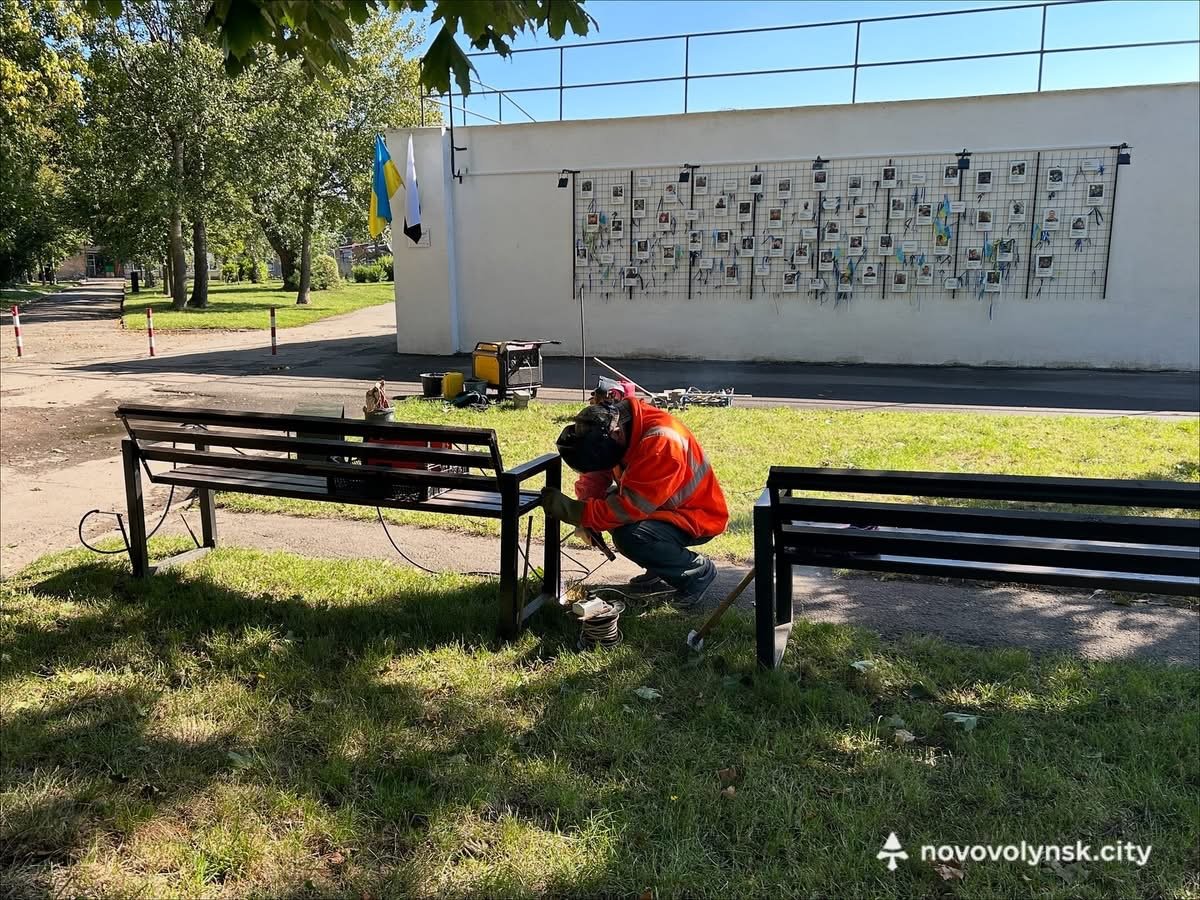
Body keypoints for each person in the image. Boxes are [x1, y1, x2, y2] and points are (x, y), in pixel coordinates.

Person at [542, 397, 729, 606]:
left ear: (617, 434)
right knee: (606, 507)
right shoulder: (615, 430)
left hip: (696, 517)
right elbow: (597, 473)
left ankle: (697, 572)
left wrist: (574, 512)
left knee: (628, 536)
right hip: (662, 509)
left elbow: (627, 510)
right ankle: (661, 566)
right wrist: (587, 510)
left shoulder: (661, 443)